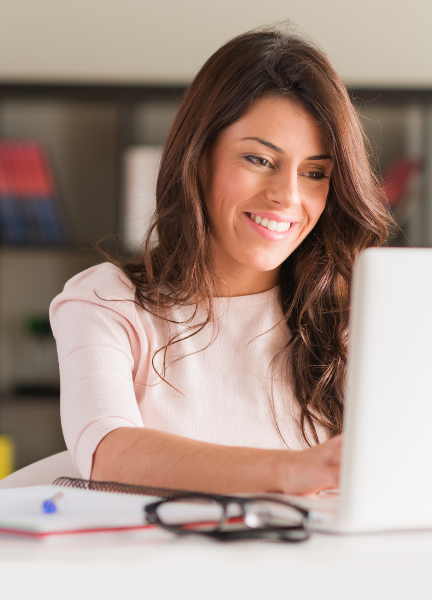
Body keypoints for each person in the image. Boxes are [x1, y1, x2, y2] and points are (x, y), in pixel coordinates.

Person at [48, 26, 392, 495]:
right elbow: (108, 452)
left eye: (315, 173)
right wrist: (289, 471)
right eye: (259, 159)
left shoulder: (352, 316)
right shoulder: (106, 302)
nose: (287, 197)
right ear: (199, 157)